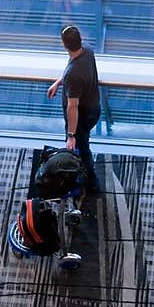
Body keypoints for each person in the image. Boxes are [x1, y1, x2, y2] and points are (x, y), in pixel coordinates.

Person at [46, 24, 102, 194]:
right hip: (94, 108)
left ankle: (91, 182)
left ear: (64, 45)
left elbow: (73, 107)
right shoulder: (88, 51)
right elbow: (73, 72)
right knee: (83, 143)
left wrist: (71, 135)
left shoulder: (72, 75)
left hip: (82, 115)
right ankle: (85, 175)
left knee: (82, 148)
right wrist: (58, 82)